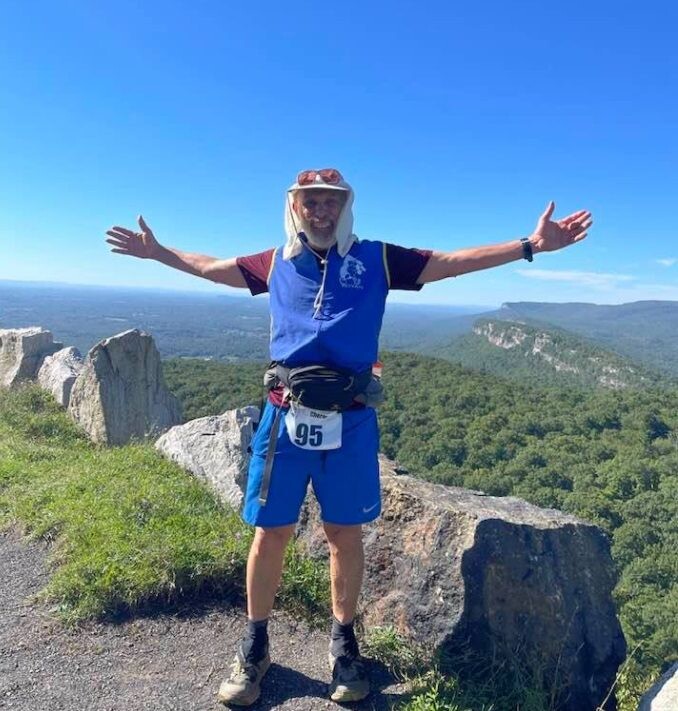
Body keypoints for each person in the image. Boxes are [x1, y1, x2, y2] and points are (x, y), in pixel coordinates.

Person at [106, 168, 591, 706]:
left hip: (351, 421)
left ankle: (343, 645)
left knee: (344, 534)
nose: (321, 211)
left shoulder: (376, 258)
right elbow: (212, 267)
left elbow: (451, 261)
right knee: (270, 532)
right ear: (295, 207)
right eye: (310, 202)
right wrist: (159, 253)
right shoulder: (276, 262)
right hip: (285, 418)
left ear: (345, 207)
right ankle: (255, 644)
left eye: (330, 202)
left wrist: (529, 246)